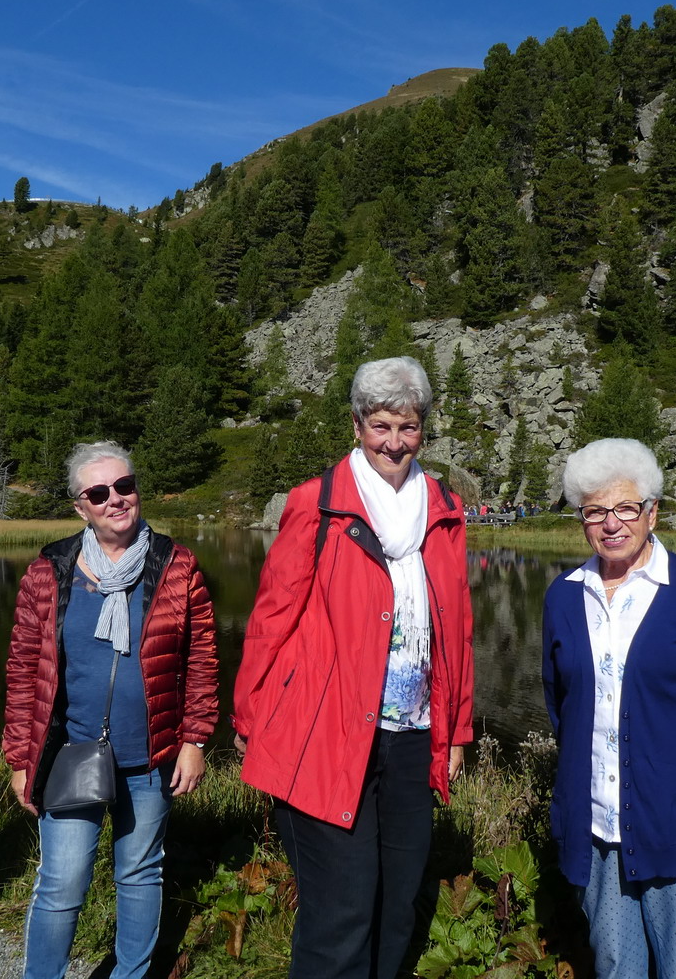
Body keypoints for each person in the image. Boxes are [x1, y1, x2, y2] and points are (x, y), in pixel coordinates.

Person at [232, 356, 474, 979]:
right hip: (327, 732)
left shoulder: (444, 509)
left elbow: (456, 628)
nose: (394, 442)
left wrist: (456, 731)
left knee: (397, 906)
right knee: (341, 911)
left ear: (424, 430)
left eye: (408, 427)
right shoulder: (317, 504)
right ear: (358, 425)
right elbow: (271, 616)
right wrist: (250, 715)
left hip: (412, 735)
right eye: (381, 426)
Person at [4, 441, 218, 979]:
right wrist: (20, 758)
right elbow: (24, 669)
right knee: (61, 882)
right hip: (70, 753)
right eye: (99, 493)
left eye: (124, 486)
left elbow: (201, 659)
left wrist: (194, 740)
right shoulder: (50, 569)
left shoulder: (176, 565)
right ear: (81, 507)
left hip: (151, 756)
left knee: (141, 874)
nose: (115, 499)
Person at [543, 438, 676, 979]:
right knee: (616, 966)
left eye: (626, 508)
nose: (611, 524)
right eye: (595, 511)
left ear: (652, 512)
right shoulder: (563, 596)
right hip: (599, 826)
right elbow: (562, 704)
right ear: (582, 520)